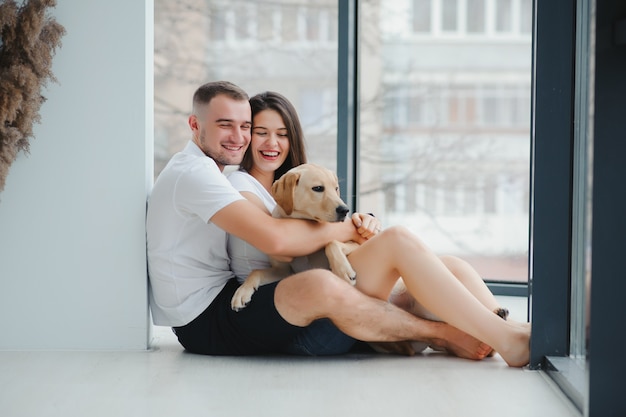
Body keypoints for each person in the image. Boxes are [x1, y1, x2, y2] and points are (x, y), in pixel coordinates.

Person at [146, 81, 530, 367]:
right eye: (252, 130)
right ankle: (491, 337)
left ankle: (506, 327)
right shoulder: (218, 179)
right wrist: (347, 230)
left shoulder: (242, 179)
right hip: (221, 313)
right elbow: (278, 242)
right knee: (390, 246)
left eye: (248, 127)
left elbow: (302, 232)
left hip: (246, 303)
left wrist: (355, 224)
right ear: (195, 124)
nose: (248, 138)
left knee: (450, 265)